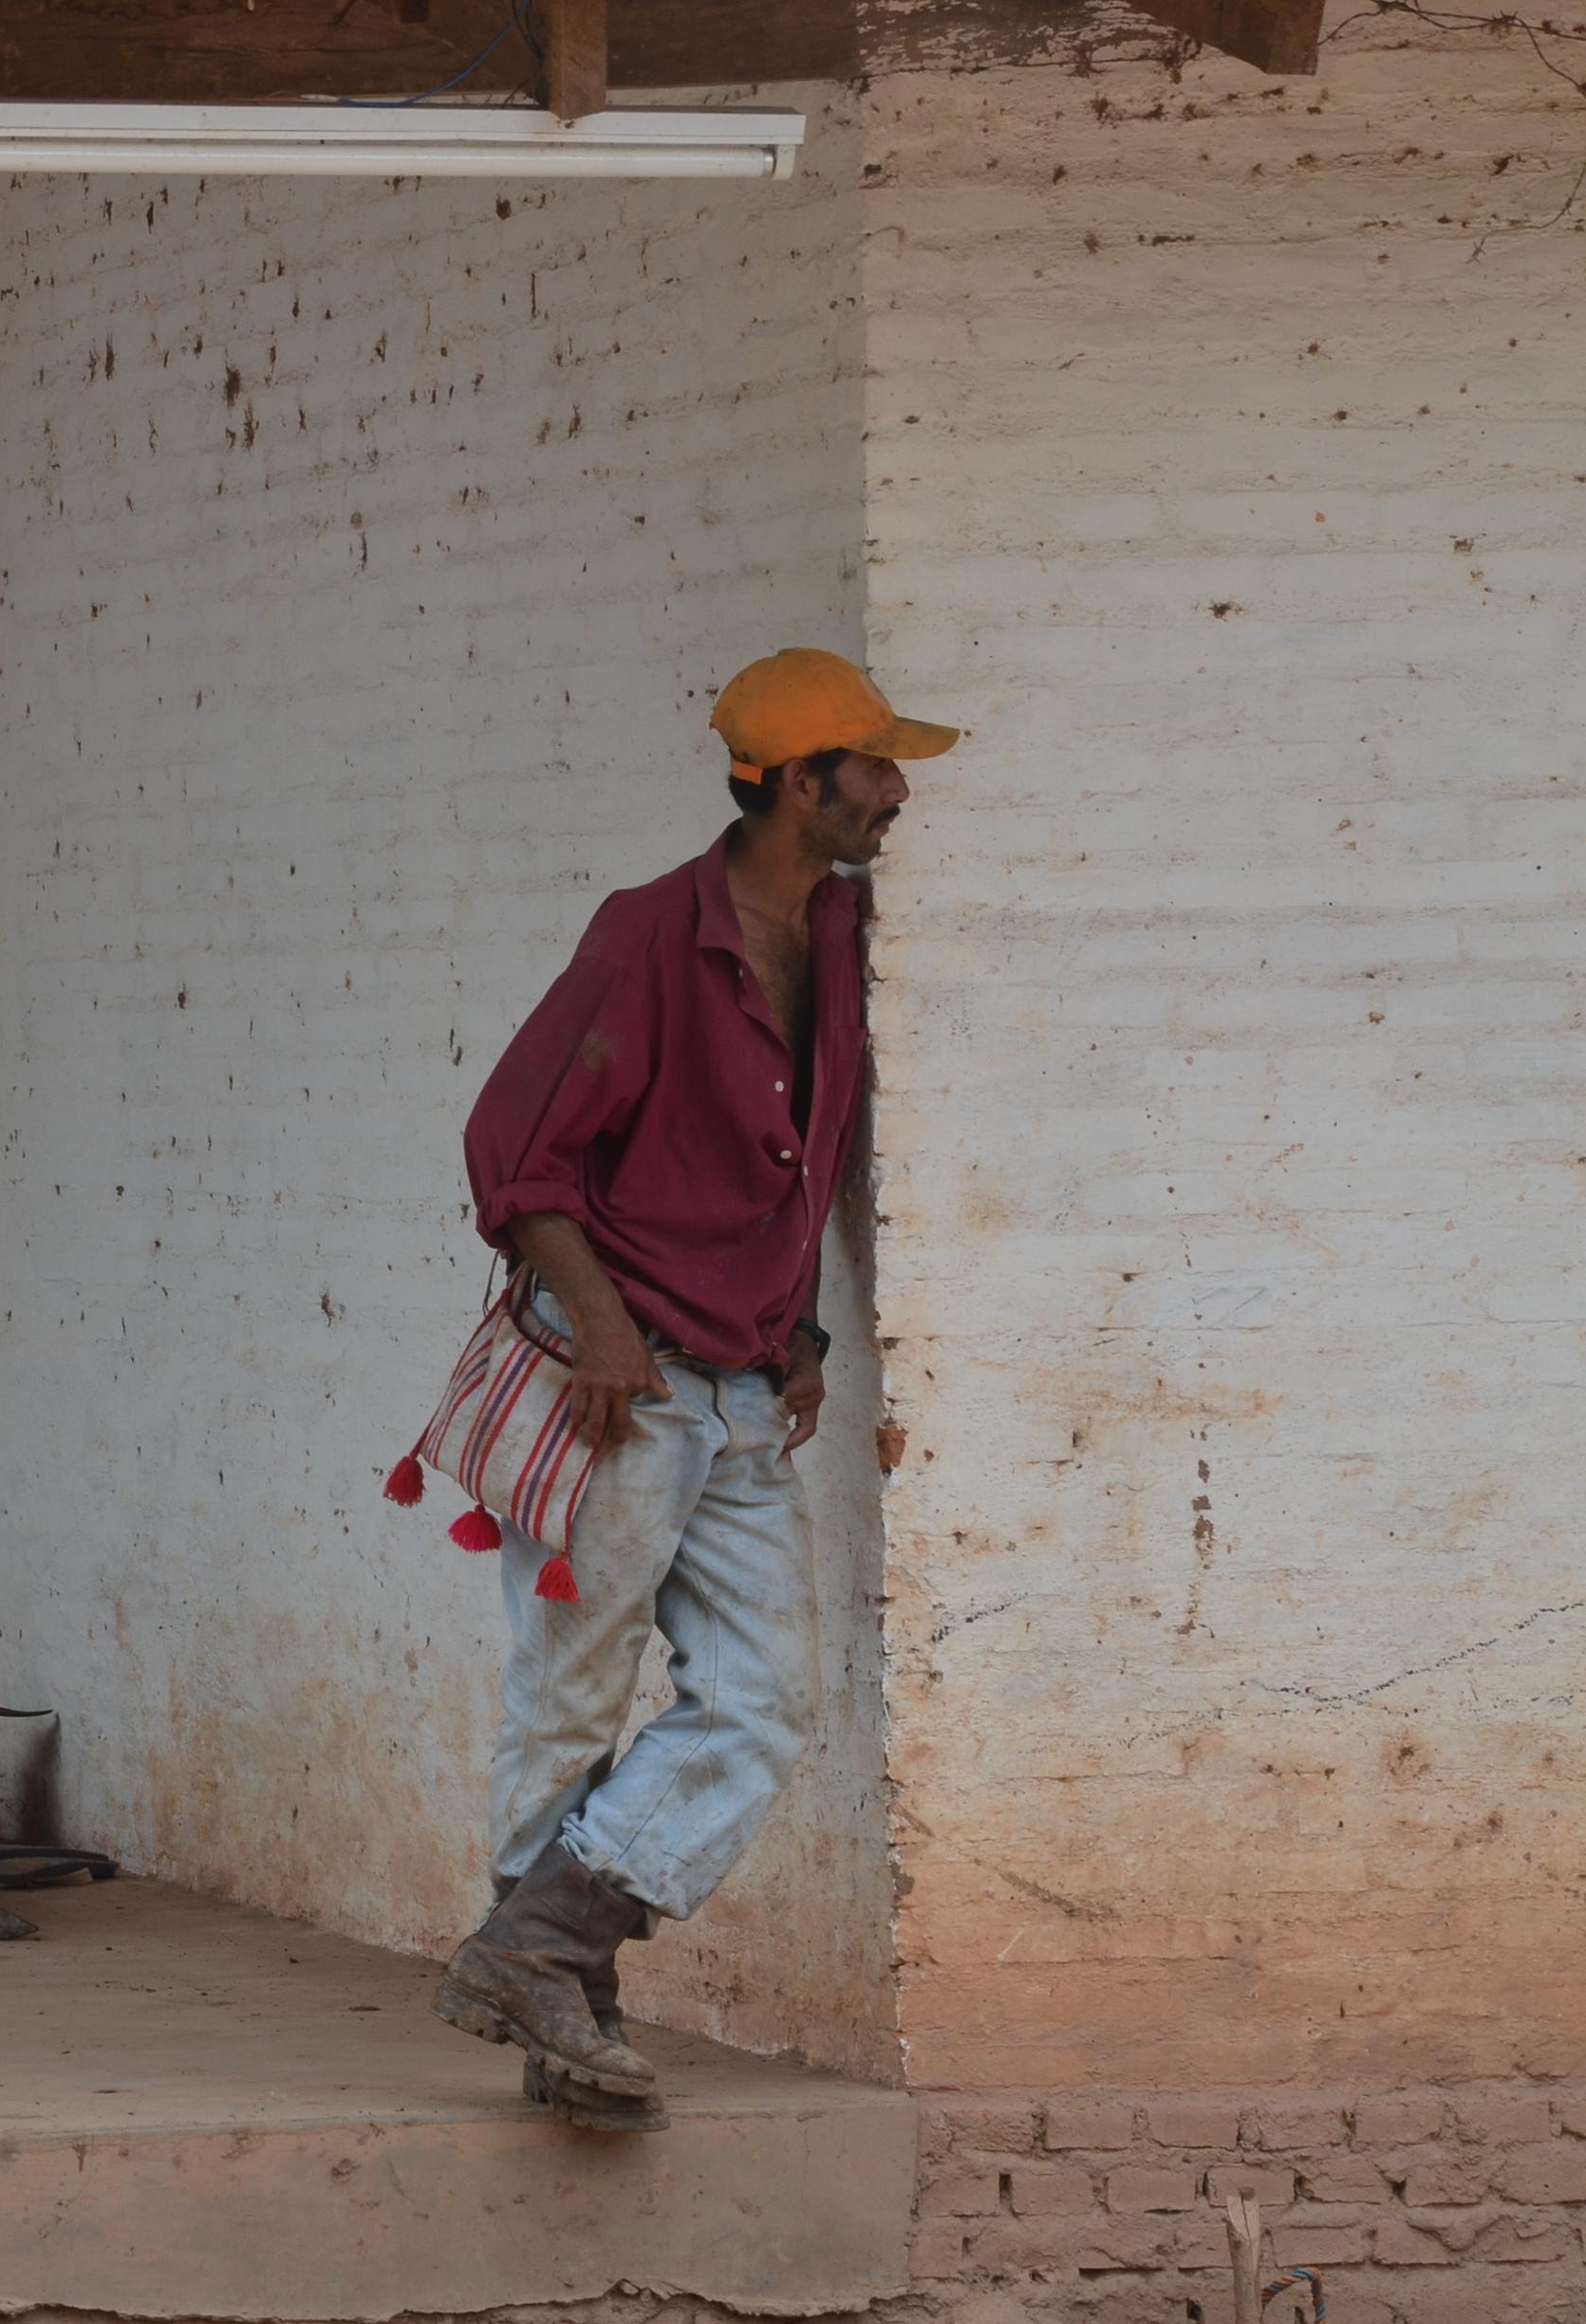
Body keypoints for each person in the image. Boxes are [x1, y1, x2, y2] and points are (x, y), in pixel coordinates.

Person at [430, 647, 957, 2133]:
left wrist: (799, 1336)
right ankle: (562, 2017)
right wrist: (598, 1326)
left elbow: (802, 1158)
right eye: (876, 766)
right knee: (574, 1698)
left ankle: (535, 1950)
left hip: (739, 1384)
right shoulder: (649, 938)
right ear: (799, 783)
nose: (900, 792)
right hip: (622, 1380)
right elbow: (511, 1149)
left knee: (767, 1703)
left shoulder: (841, 931)